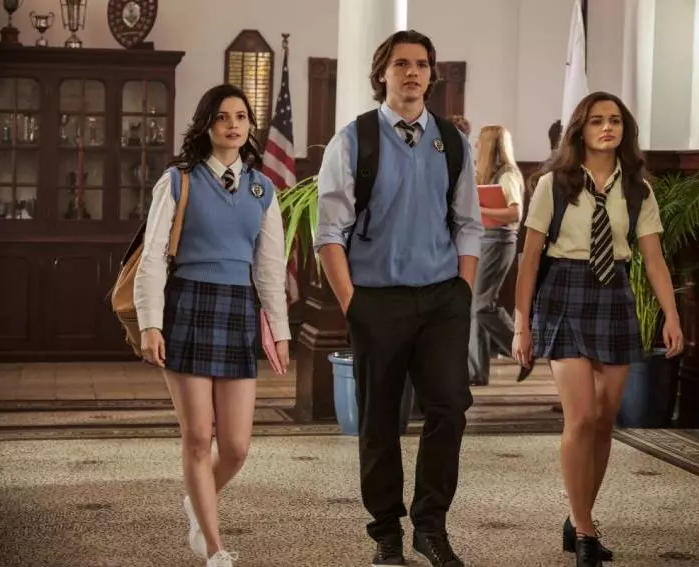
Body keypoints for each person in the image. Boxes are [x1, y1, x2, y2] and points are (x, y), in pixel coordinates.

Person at [315, 29, 482, 567]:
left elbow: (469, 224)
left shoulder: (453, 143)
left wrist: (462, 290)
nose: (413, 72)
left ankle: (430, 527)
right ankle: (386, 532)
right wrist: (353, 303)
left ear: (432, 75)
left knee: (449, 408)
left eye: (422, 64)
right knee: (381, 421)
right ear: (382, 73)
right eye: (402, 63)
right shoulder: (353, 141)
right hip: (376, 301)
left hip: (442, 300)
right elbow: (329, 232)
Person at [512, 91, 683, 567]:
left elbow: (653, 258)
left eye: (614, 121)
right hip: (563, 294)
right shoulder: (553, 184)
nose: (607, 128)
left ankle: (578, 514)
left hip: (615, 295)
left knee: (606, 419)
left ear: (624, 130)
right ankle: (586, 531)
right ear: (580, 130)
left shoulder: (638, 190)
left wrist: (671, 315)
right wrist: (521, 324)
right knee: (582, 417)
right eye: (596, 121)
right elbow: (529, 258)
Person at [134, 84, 291, 567]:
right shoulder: (178, 180)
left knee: (237, 447)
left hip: (238, 310)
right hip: (187, 306)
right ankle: (214, 547)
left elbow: (270, 269)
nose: (232, 124)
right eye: (222, 116)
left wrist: (280, 331)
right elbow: (152, 258)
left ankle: (195, 501)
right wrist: (150, 324)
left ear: (250, 126)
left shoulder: (263, 189)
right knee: (199, 436)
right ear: (206, 125)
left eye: (241, 116)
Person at [468, 125, 524, 386]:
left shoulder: (508, 174)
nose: (476, 146)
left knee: (482, 306)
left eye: (480, 141)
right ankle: (475, 372)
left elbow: (515, 213)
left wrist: (479, 209)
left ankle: (523, 349)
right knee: (473, 307)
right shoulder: (486, 174)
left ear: (490, 145)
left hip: (499, 241)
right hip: (483, 239)